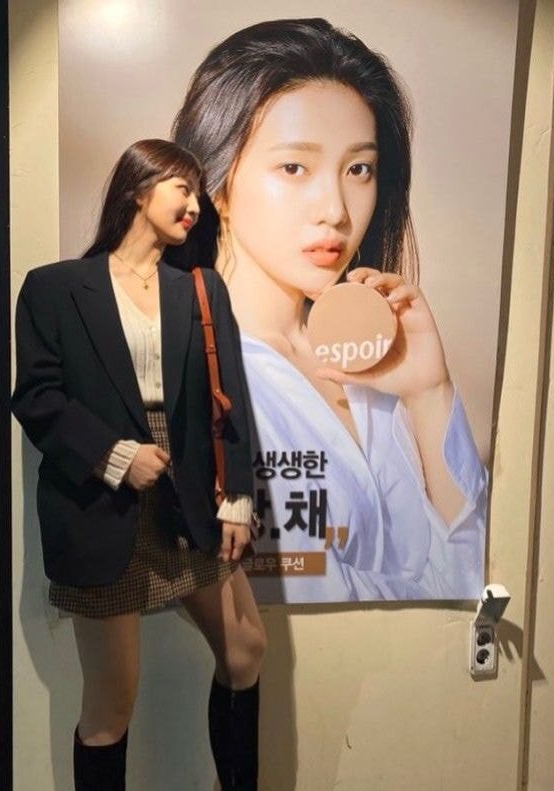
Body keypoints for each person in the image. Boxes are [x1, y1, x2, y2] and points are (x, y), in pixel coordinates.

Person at [12, 139, 309, 791]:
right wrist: (116, 456)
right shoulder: (55, 287)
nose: (196, 205)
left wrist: (237, 498)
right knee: (113, 702)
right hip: (101, 505)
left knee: (246, 650)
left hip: (187, 501)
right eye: (183, 187)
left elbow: (229, 402)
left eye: (200, 194)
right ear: (139, 186)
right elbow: (37, 396)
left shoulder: (199, 289)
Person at [171, 18, 488, 602]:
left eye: (358, 169)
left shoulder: (371, 363)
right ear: (215, 186)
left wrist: (429, 394)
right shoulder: (194, 374)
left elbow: (478, 583)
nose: (336, 210)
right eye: (294, 167)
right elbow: (316, 605)